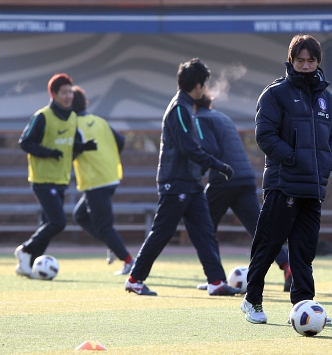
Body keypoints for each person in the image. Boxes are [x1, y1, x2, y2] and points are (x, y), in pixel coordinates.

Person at [240, 34, 332, 324]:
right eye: (301, 60)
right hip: (282, 184)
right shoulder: (275, 94)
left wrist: (329, 159)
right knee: (268, 245)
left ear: (318, 62)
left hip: (313, 186)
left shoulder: (327, 98)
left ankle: (303, 305)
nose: (306, 65)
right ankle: (252, 300)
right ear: (291, 61)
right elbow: (265, 135)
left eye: (311, 60)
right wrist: (294, 158)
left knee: (304, 251)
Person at [125, 58, 240, 297]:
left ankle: (216, 281)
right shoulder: (179, 108)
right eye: (205, 84)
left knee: (204, 231)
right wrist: (218, 165)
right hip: (176, 182)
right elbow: (189, 148)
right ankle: (135, 279)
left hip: (190, 183)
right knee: (163, 232)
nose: (206, 89)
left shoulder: (185, 107)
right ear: (197, 85)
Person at [193, 94, 293, 292]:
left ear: (193, 106)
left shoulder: (199, 119)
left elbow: (208, 148)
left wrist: (197, 172)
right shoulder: (222, 118)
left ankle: (216, 279)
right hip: (245, 176)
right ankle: (288, 266)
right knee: (258, 229)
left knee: (203, 227)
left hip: (224, 178)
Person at [16, 73, 97, 278]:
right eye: (64, 92)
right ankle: (25, 250)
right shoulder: (42, 116)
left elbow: (68, 145)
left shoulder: (71, 117)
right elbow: (25, 142)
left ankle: (30, 265)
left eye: (70, 92)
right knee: (58, 222)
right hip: (43, 179)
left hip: (61, 179)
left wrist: (83, 147)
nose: (69, 96)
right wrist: (48, 152)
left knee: (48, 224)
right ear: (53, 94)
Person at [71, 85, 136, 276]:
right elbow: (121, 141)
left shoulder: (73, 124)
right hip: (110, 177)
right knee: (80, 216)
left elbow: (71, 150)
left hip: (95, 180)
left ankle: (128, 260)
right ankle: (113, 244)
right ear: (85, 103)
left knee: (104, 227)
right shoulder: (99, 121)